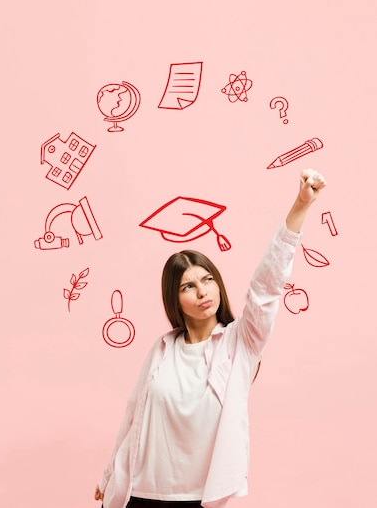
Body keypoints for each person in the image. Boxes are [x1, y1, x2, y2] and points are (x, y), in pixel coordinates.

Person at [94, 169, 327, 508]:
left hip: (196, 498)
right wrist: (108, 475)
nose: (203, 291)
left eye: (207, 279)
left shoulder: (241, 342)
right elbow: (133, 416)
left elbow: (267, 286)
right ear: (175, 299)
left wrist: (300, 206)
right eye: (189, 286)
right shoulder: (163, 349)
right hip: (137, 492)